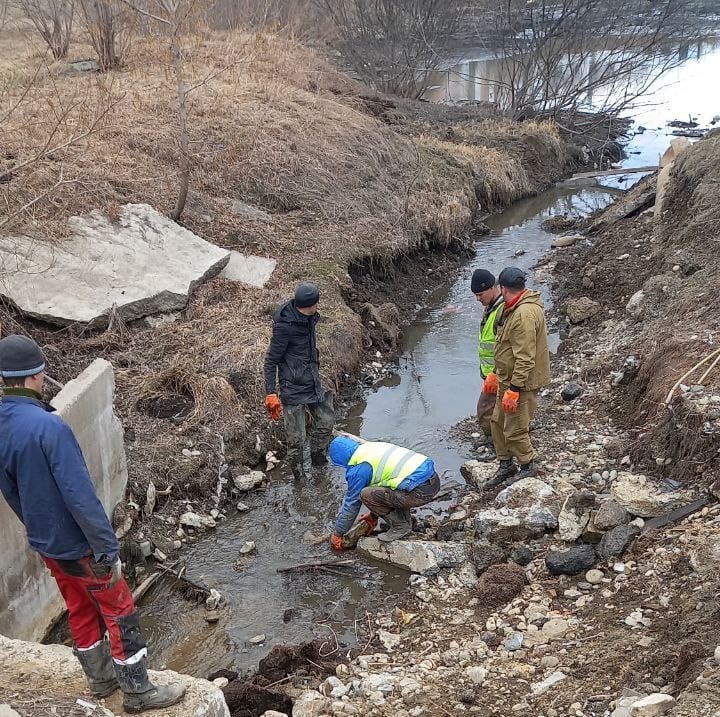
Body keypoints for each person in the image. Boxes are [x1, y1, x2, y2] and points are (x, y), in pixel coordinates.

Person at [0, 335, 185, 714]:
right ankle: (138, 692)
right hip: (79, 545)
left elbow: (11, 492)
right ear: (37, 375)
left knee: (79, 608)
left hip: (47, 545)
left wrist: (37, 532)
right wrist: (106, 547)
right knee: (120, 609)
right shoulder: (50, 428)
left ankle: (101, 681)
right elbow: (80, 496)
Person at [485, 268, 550, 488]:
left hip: (521, 382)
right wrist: (496, 372)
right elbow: (503, 345)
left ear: (503, 288)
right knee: (498, 422)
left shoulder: (524, 314)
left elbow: (525, 357)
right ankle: (506, 464)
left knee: (515, 428)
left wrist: (515, 388)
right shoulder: (511, 307)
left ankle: (528, 464)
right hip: (507, 377)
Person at [263, 282, 335, 480]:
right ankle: (299, 480)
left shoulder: (309, 317)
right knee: (297, 440)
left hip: (312, 381)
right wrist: (271, 392)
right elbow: (271, 361)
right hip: (292, 387)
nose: (318, 307)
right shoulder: (285, 327)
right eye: (316, 303)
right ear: (309, 305)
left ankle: (319, 464)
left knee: (326, 422)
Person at [328, 435, 440, 546]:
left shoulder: (358, 471)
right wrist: (374, 514)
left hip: (419, 492)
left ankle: (400, 526)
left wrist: (338, 533)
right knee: (393, 487)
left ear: (340, 459)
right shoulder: (371, 448)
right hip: (433, 481)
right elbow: (387, 481)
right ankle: (407, 521)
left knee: (365, 494)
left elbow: (352, 504)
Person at [471, 268, 505, 461]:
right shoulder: (490, 307)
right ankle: (495, 439)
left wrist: (495, 372)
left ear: (493, 288)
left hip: (498, 372)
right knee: (494, 409)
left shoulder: (501, 310)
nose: (478, 299)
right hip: (489, 372)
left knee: (485, 409)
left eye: (480, 294)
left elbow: (504, 347)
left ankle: (495, 442)